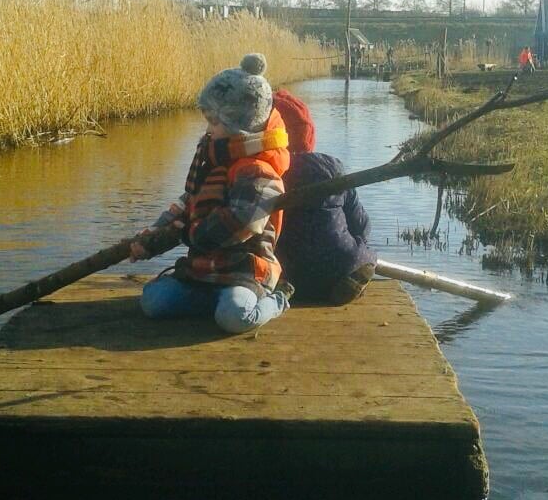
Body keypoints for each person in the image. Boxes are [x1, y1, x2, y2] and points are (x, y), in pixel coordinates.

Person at [132, 54, 293, 334]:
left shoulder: (259, 174)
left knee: (235, 316)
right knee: (153, 302)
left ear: (238, 125)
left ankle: (277, 300)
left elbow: (235, 226)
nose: (208, 130)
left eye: (214, 123)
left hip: (245, 273)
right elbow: (186, 205)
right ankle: (209, 301)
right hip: (203, 271)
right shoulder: (212, 161)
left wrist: (184, 233)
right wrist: (151, 238)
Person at [271, 89, 376, 305]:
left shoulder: (264, 171)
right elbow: (362, 223)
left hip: (287, 269)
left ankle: (281, 286)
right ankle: (353, 274)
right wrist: (359, 247)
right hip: (339, 264)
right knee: (361, 254)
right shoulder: (332, 169)